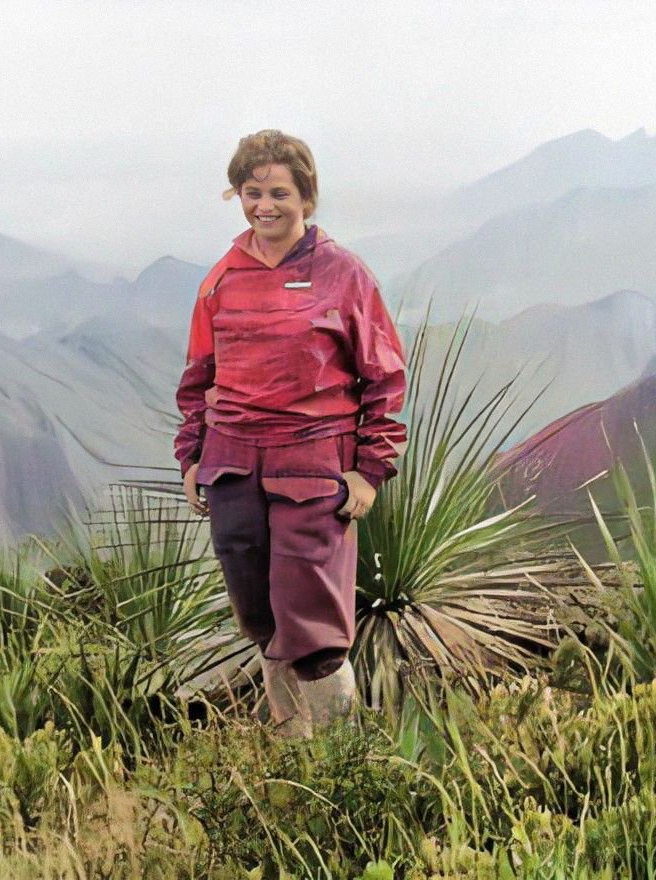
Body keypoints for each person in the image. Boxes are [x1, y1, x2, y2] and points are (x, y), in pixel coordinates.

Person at [174, 130, 407, 736]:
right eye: (252, 193)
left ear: (306, 197)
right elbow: (199, 376)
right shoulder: (222, 278)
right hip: (232, 465)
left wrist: (370, 470)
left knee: (314, 628)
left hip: (313, 465)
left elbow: (384, 377)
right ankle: (290, 750)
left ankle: (344, 761)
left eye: (279, 193)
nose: (265, 206)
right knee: (261, 618)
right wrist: (192, 457)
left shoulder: (343, 274)